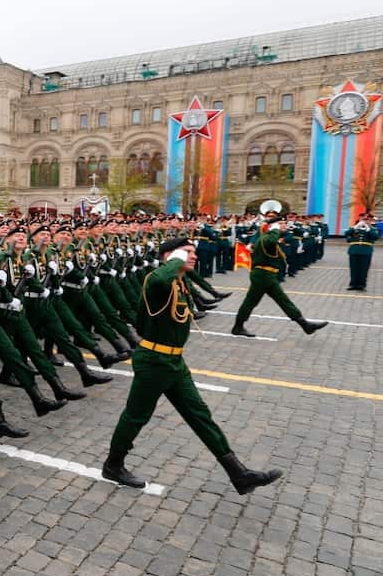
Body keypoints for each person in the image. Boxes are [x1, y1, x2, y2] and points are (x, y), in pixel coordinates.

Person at [103, 238, 283, 494]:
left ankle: (238, 473)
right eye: (187, 252)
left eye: (193, 252)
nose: (193, 256)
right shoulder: (158, 279)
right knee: (136, 416)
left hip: (173, 361)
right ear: (169, 256)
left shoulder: (179, 282)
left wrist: (178, 261)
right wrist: (175, 258)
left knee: (200, 416)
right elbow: (157, 281)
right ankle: (113, 464)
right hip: (154, 361)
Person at [231, 202, 328, 337]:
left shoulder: (268, 237)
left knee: (274, 301)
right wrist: (274, 228)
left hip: (266, 275)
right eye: (280, 224)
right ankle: (305, 325)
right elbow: (269, 241)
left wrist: (275, 229)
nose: (283, 226)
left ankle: (305, 325)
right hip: (263, 275)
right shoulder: (266, 238)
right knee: (270, 301)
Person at [346, 214, 378, 291]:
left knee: (363, 269)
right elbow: (346, 234)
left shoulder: (372, 229)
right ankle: (353, 284)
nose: (365, 221)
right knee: (353, 268)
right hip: (354, 250)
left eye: (367, 220)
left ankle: (361, 285)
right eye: (364, 220)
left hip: (366, 251)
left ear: (370, 221)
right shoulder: (355, 228)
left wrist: (368, 229)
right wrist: (355, 227)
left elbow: (375, 237)